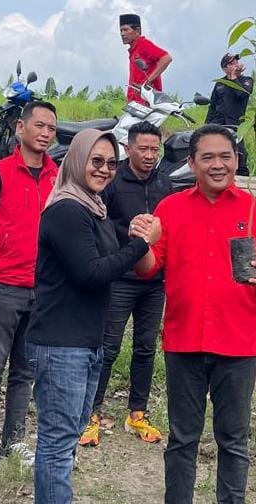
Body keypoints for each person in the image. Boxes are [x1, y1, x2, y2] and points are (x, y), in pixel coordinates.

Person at [136, 124, 256, 504]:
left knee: (233, 440)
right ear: (192, 163)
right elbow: (149, 268)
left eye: (225, 156)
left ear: (236, 160)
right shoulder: (171, 208)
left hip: (237, 345)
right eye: (208, 157)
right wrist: (141, 243)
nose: (218, 164)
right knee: (182, 437)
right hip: (183, 340)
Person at [26, 128, 159, 504]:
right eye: (96, 160)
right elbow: (91, 273)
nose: (104, 169)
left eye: (110, 163)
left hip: (83, 340)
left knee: (63, 440)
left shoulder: (93, 209)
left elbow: (116, 259)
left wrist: (134, 238)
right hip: (60, 342)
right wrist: (141, 243)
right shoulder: (67, 210)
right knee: (58, 442)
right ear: (76, 160)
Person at [0, 101, 58, 472]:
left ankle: (15, 438)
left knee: (26, 369)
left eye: (51, 128)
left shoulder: (58, 176)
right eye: (39, 125)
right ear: (21, 128)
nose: (45, 133)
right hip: (2, 284)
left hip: (42, 289)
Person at [79, 121, 172, 447]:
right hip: (119, 278)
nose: (149, 155)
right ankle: (90, 412)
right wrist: (126, 239)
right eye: (143, 148)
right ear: (128, 148)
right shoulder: (112, 182)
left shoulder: (165, 184)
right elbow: (100, 224)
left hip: (154, 281)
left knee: (145, 348)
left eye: (154, 149)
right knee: (108, 347)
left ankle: (137, 413)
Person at [119, 13, 171, 106]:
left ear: (137, 30)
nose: (122, 34)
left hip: (147, 103)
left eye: (126, 30)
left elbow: (166, 58)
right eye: (121, 30)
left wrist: (147, 82)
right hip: (136, 104)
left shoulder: (143, 44)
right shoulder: (133, 50)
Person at [206, 53, 253, 126]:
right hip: (217, 123)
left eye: (236, 62)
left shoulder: (247, 80)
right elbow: (212, 106)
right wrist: (206, 124)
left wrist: (233, 77)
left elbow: (241, 95)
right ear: (224, 69)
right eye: (232, 64)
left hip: (234, 123)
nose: (236, 65)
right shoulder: (220, 83)